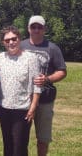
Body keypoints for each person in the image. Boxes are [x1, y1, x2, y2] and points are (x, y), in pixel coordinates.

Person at [21, 15, 67, 156]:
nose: (36, 30)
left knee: (43, 138)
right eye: (33, 27)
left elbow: (62, 71)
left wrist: (47, 79)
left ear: (44, 29)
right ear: (28, 29)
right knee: (21, 138)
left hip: (45, 100)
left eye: (39, 27)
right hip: (24, 100)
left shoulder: (52, 48)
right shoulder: (21, 46)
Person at [0, 26, 41, 156]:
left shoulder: (30, 58)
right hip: (4, 108)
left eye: (14, 39)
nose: (11, 42)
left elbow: (36, 86)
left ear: (19, 39)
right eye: (7, 40)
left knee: (19, 147)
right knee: (7, 145)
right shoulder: (0, 57)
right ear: (3, 43)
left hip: (22, 110)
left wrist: (33, 107)